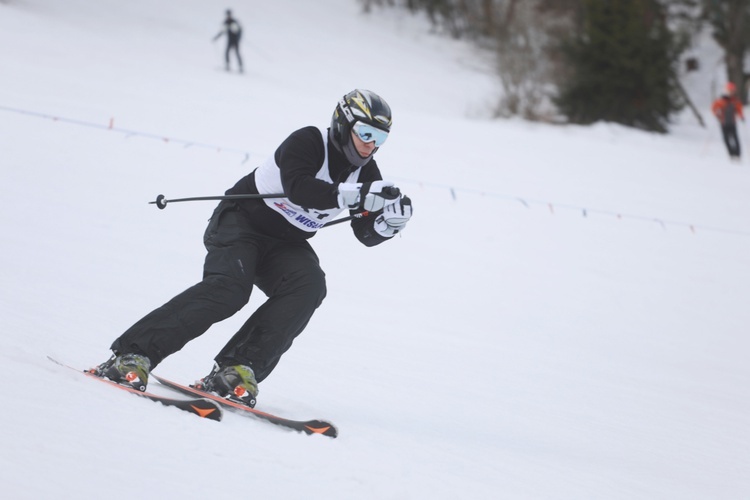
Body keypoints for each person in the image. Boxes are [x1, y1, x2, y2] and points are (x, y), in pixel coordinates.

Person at [92, 90, 413, 408]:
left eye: (380, 139)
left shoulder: (366, 173)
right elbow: (300, 189)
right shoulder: (310, 141)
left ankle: (235, 371)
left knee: (309, 286)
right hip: (241, 223)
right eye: (365, 133)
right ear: (343, 124)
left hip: (286, 243)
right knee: (229, 289)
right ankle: (131, 355)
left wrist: (386, 227)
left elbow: (364, 232)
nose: (371, 145)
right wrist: (353, 195)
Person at [711, 81, 745, 160]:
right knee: (726, 139)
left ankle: (737, 154)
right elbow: (714, 108)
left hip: (732, 123)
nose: (731, 92)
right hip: (724, 123)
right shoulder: (721, 101)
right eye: (730, 90)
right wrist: (717, 114)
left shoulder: (735, 101)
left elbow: (739, 109)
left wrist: (741, 116)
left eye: (732, 91)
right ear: (726, 90)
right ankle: (731, 154)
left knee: (735, 138)